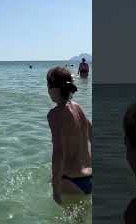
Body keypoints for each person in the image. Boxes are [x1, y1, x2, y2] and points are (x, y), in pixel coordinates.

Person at [47, 66, 92, 204]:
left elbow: (58, 153)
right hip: (90, 176)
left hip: (70, 181)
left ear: (53, 89)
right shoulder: (78, 107)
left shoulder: (55, 115)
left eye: (48, 86)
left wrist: (55, 188)